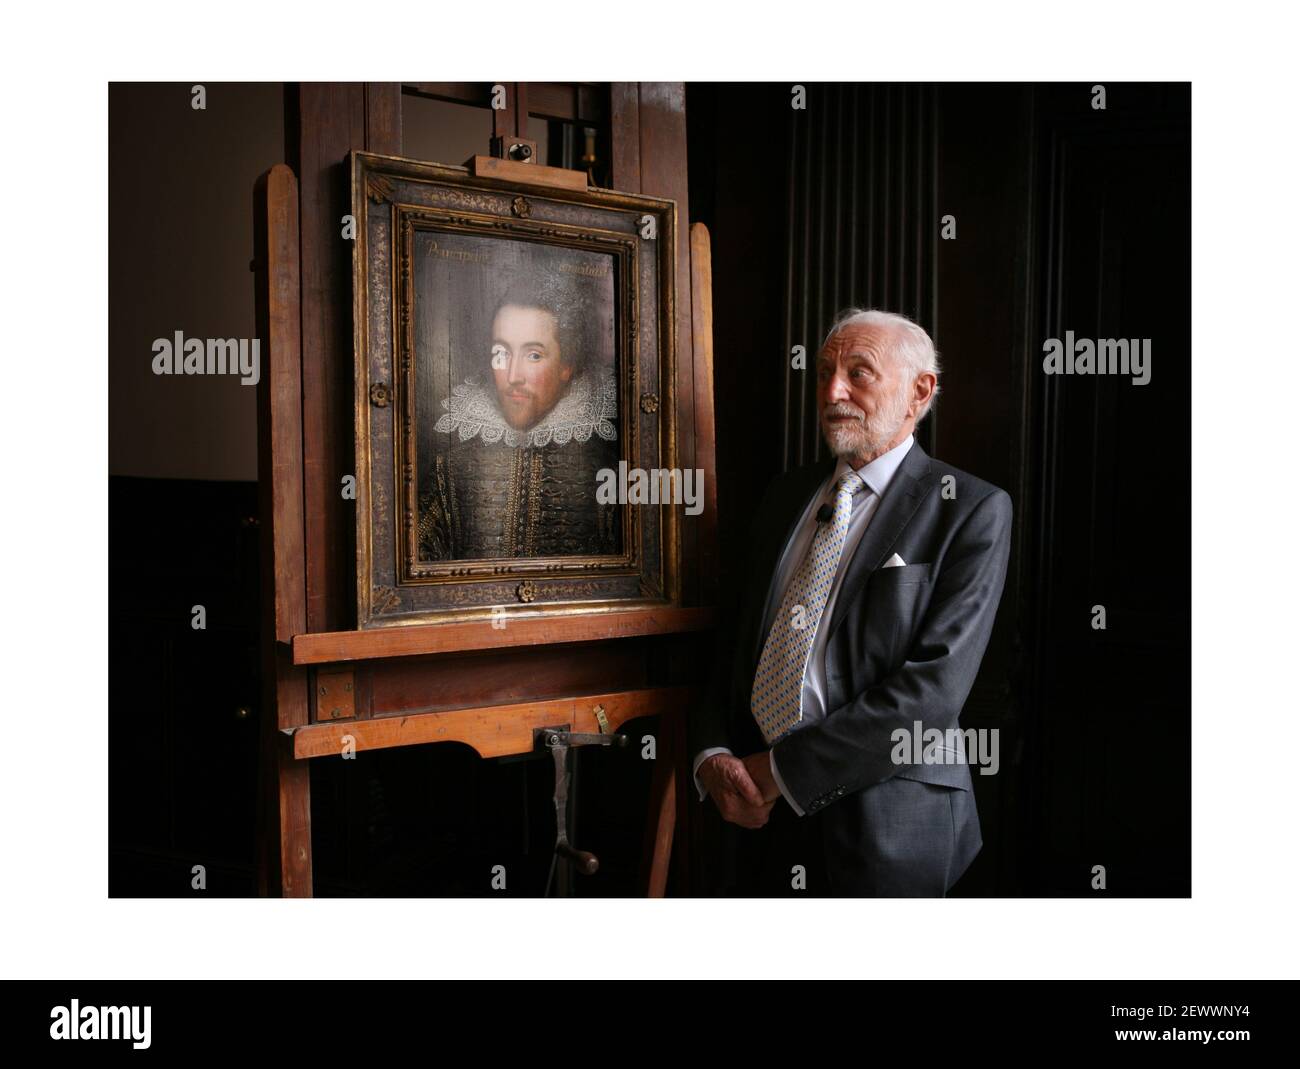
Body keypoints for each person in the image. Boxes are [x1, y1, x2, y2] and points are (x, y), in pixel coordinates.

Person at [690, 308, 1012, 896]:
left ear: (920, 391)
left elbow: (933, 692)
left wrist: (783, 772)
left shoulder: (969, 508)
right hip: (751, 814)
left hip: (888, 819)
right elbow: (732, 641)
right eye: (824, 372)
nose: (833, 390)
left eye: (858, 373)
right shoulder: (785, 495)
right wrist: (713, 753)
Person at [418, 278, 619, 561]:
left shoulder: (608, 473)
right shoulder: (448, 471)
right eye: (501, 353)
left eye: (534, 355)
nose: (513, 376)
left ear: (567, 365)